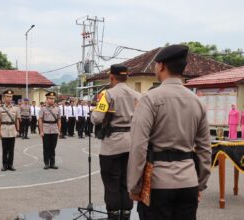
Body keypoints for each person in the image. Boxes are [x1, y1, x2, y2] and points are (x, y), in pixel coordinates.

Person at [127, 45, 212, 220]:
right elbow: (205, 149)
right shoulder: (197, 102)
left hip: (157, 183)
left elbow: (138, 147)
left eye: (156, 64)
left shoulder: (149, 99)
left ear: (162, 66)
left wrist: (134, 187)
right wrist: (200, 184)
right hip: (188, 181)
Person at [91, 64, 140, 220]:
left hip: (112, 145)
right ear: (127, 77)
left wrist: (93, 113)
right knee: (126, 181)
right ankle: (126, 214)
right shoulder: (137, 95)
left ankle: (113, 214)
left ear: (111, 76)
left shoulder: (108, 94)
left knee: (111, 182)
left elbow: (97, 118)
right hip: (131, 143)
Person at [0, 90, 20, 171]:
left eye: (10, 97)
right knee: (4, 149)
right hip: (4, 129)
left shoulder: (16, 108)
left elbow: (17, 120)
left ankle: (10, 165)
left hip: (12, 129)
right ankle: (4, 165)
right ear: (4, 97)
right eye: (7, 96)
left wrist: (18, 130)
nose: (9, 98)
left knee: (11, 149)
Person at [38, 92, 61, 169]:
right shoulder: (43, 108)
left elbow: (59, 120)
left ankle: (52, 163)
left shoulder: (57, 108)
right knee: (46, 147)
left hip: (54, 129)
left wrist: (59, 130)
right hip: (46, 129)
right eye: (50, 98)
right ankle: (46, 163)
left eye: (53, 99)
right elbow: (40, 120)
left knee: (53, 147)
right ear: (47, 99)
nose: (52, 100)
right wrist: (41, 131)